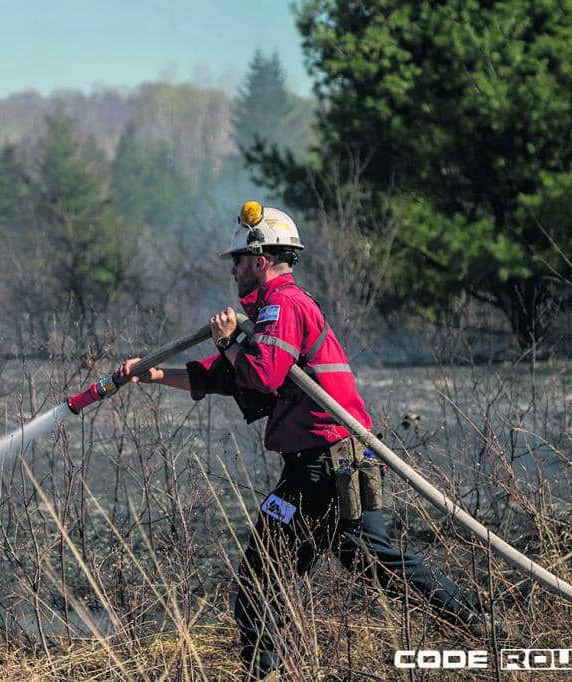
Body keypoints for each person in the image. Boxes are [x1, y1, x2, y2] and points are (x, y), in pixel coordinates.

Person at [118, 201, 489, 679]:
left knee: (260, 581)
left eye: (237, 260)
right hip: (332, 463)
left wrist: (230, 341)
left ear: (260, 259)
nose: (232, 270)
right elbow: (227, 377)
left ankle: (265, 671)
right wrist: (151, 374)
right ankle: (471, 619)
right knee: (368, 559)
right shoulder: (275, 312)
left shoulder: (283, 306)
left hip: (322, 467)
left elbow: (263, 375)